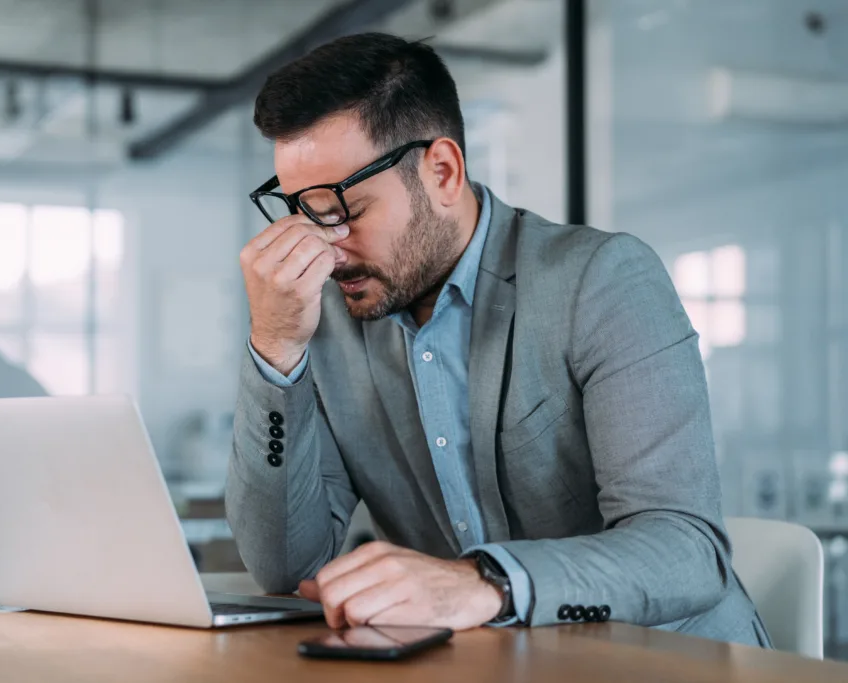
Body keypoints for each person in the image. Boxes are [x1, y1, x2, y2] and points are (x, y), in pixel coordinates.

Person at [226, 32, 770, 647]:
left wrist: (487, 584)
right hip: (498, 664)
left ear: (442, 171)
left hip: (669, 657)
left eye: (343, 207)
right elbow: (282, 565)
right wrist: (275, 349)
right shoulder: (322, 317)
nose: (325, 243)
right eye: (302, 210)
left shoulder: (600, 280)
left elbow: (687, 552)